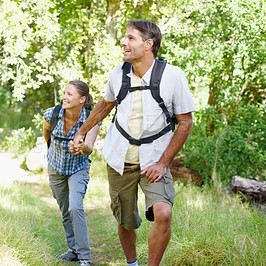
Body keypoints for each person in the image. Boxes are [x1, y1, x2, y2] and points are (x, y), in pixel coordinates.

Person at [70, 20, 196, 266]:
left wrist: (163, 163)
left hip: (155, 160)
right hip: (120, 158)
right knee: (125, 220)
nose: (124, 43)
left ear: (148, 44)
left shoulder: (173, 76)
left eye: (131, 38)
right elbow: (105, 106)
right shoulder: (118, 74)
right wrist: (82, 132)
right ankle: (132, 264)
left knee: (164, 213)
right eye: (124, 38)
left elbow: (185, 123)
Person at [43, 80, 100, 266]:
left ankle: (84, 257)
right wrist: (51, 149)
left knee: (75, 207)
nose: (64, 97)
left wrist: (82, 147)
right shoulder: (53, 113)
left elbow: (89, 147)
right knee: (65, 210)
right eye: (64, 93)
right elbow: (46, 133)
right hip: (55, 166)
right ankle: (73, 250)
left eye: (69, 94)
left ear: (82, 99)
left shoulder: (92, 119)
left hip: (78, 168)